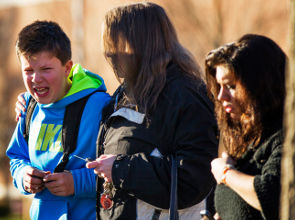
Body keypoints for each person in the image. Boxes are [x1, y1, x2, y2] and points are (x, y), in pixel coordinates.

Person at [85, 2, 219, 219]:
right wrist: (31, 103)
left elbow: (193, 178)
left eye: (117, 44)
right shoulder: (126, 92)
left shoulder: (185, 95)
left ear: (141, 44)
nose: (109, 54)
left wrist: (121, 169)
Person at [6, 20, 110, 220]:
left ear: (67, 68)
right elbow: (16, 158)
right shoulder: (28, 107)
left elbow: (123, 170)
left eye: (45, 69)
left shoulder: (100, 106)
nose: (36, 79)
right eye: (28, 70)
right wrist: (23, 176)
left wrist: (76, 183)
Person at [205, 34, 286, 220]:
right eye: (219, 86)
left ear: (261, 86)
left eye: (231, 86)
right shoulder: (250, 139)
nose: (221, 96)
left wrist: (225, 174)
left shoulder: (287, 136)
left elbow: (271, 196)